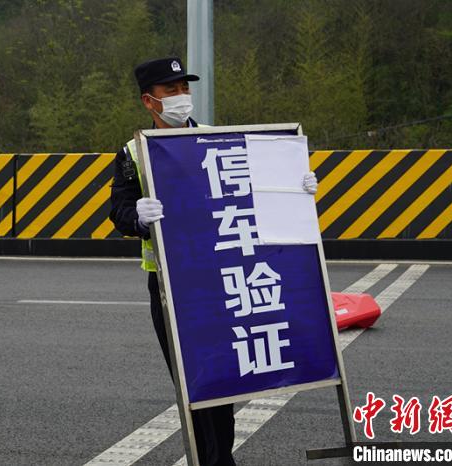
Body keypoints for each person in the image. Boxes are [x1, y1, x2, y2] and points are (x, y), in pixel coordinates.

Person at [109, 56, 318, 466]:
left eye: (185, 88)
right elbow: (117, 208)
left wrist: (296, 186)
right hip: (170, 285)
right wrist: (138, 216)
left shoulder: (215, 138)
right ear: (149, 102)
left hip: (222, 273)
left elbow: (257, 184)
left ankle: (218, 459)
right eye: (172, 91)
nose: (183, 97)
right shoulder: (134, 152)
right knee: (192, 380)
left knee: (220, 376)